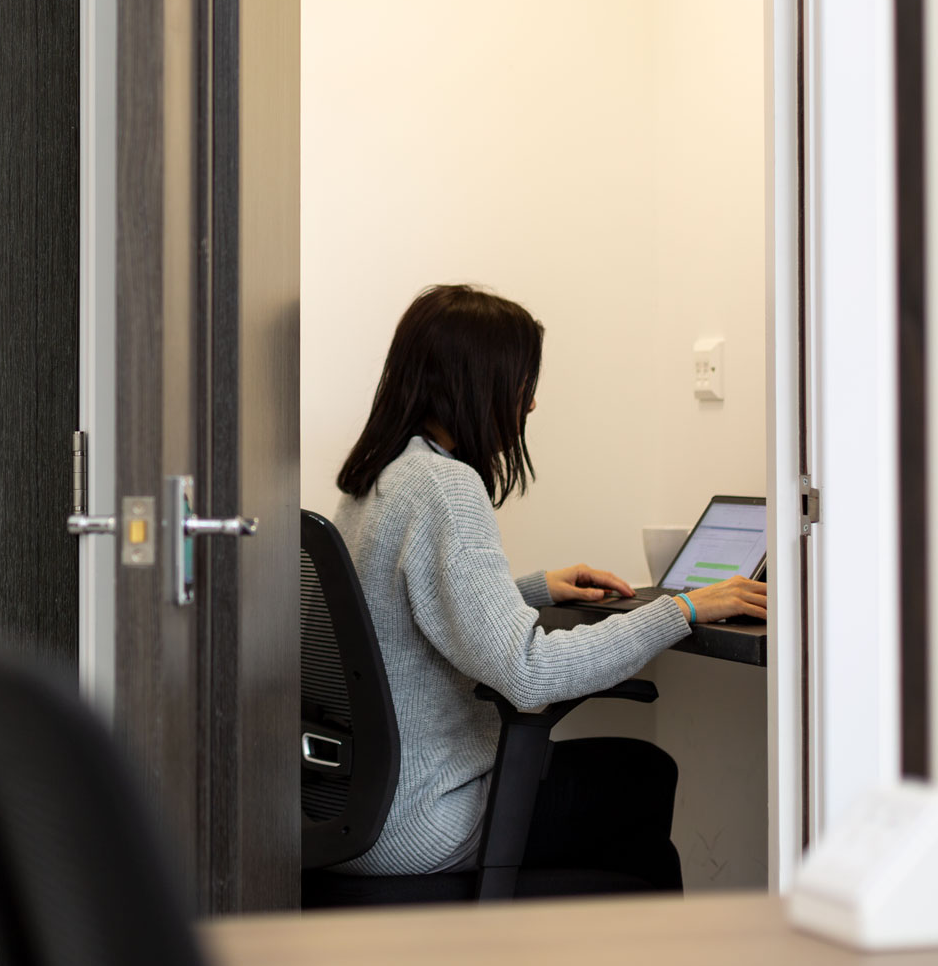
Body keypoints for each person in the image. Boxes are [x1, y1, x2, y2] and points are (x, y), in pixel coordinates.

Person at [329, 284, 768, 886]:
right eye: (520, 382)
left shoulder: (380, 477)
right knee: (642, 779)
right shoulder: (445, 487)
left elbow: (403, 607)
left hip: (360, 808)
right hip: (425, 820)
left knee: (633, 799)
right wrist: (683, 610)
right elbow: (529, 673)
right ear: (474, 381)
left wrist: (533, 590)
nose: (529, 404)